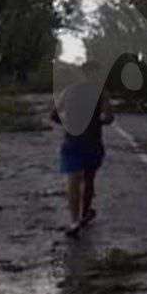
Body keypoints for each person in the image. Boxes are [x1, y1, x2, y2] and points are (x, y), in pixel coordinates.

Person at [51, 61, 114, 238]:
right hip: (92, 141)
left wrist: (69, 122)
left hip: (72, 140)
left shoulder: (69, 91)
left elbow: (54, 115)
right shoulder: (101, 93)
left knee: (73, 181)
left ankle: (74, 221)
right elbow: (108, 118)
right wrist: (98, 120)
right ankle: (84, 214)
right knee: (89, 179)